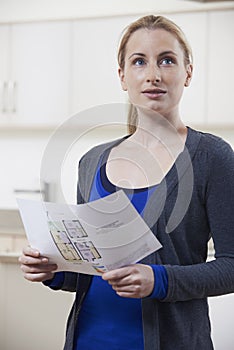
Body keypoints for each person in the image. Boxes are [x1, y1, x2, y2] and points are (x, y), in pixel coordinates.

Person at [19, 15, 234, 350]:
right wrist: (55, 271)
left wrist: (159, 280)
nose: (153, 75)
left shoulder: (212, 157)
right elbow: (92, 269)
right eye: (139, 62)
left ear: (187, 72)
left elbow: (231, 266)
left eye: (167, 60)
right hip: (89, 339)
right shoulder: (92, 162)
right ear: (122, 76)